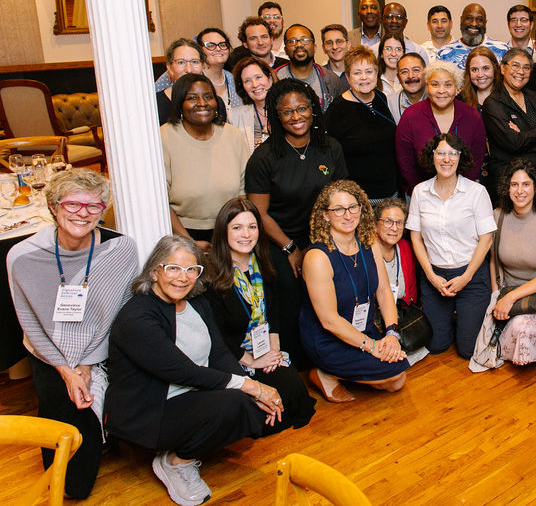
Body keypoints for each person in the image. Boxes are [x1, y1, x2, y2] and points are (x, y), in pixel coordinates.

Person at [106, 236, 295, 506]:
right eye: (173, 268)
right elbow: (182, 371)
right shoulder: (138, 317)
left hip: (191, 394)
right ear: (155, 271)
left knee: (254, 405)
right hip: (150, 410)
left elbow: (218, 353)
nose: (183, 278)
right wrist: (250, 386)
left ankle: (189, 442)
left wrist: (249, 387)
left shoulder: (197, 303)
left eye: (191, 269)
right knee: (237, 403)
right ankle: (176, 462)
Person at [8, 169, 139, 499]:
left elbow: (123, 314)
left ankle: (107, 430)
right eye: (72, 204)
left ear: (102, 210)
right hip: (50, 355)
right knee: (71, 485)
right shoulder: (22, 257)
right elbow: (30, 324)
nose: (83, 213)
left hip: (101, 351)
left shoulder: (120, 249)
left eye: (93, 206)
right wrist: (67, 371)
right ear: (53, 207)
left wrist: (87, 366)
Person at [245, 78, 349, 359]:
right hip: (278, 238)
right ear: (277, 116)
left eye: (302, 109)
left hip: (322, 235)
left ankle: (334, 351)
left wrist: (324, 242)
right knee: (291, 289)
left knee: (335, 284)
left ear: (312, 110)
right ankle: (297, 359)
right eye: (287, 112)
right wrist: (290, 248)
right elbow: (258, 214)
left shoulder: (330, 147)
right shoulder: (264, 157)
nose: (296, 117)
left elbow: (341, 197)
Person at [203, 198, 316, 425]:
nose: (246, 234)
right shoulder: (212, 276)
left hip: (263, 348)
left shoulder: (262, 263)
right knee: (256, 411)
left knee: (295, 393)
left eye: (252, 227)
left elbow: (273, 311)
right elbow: (217, 337)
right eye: (237, 227)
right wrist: (253, 362)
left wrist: (273, 352)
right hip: (232, 359)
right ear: (224, 231)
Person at [301, 181, 410, 402]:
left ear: (361, 209)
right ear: (325, 215)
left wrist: (392, 334)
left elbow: (383, 291)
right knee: (394, 374)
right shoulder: (317, 257)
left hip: (363, 329)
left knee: (398, 379)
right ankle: (325, 374)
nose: (348, 215)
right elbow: (329, 321)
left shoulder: (369, 243)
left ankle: (337, 373)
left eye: (353, 207)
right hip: (329, 338)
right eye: (338, 209)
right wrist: (373, 347)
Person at [406, 133, 496, 359]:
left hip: (471, 276)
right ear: (432, 156)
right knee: (436, 345)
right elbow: (416, 238)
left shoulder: (476, 192)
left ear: (460, 157)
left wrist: (465, 277)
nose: (447, 159)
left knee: (467, 350)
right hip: (435, 277)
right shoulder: (420, 192)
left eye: (453, 153)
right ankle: (456, 319)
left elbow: (486, 239)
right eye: (441, 153)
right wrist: (431, 276)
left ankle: (467, 320)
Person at [487, 159, 536, 365]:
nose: (520, 191)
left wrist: (510, 299)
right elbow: (494, 261)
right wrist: (496, 296)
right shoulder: (498, 215)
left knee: (520, 327)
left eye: (526, 184)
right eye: (514, 184)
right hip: (508, 288)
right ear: (507, 187)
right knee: (486, 326)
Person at [161, 73, 249, 247]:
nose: (202, 103)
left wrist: (236, 236)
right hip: (181, 233)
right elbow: (160, 201)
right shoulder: (164, 137)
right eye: (192, 98)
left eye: (208, 97)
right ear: (180, 103)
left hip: (230, 230)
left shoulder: (232, 135)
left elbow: (243, 192)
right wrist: (189, 243)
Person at [395, 61, 486, 195]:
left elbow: (476, 160)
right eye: (435, 84)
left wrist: (459, 192)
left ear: (457, 88)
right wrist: (424, 192)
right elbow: (405, 161)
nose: (441, 90)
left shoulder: (472, 116)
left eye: (448, 85)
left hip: (463, 194)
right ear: (427, 86)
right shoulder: (410, 116)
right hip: (422, 193)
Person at [481, 48, 536, 198]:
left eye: (526, 67)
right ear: (503, 68)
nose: (521, 72)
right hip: (508, 183)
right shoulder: (493, 103)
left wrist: (522, 136)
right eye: (515, 65)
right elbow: (512, 142)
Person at [323, 46, 400, 203]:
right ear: (348, 77)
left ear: (376, 73)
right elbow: (329, 156)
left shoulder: (381, 98)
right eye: (357, 73)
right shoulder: (338, 109)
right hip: (359, 197)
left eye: (369, 71)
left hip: (390, 191)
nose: (364, 77)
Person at [373, 198, 428, 365]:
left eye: (399, 223)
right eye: (388, 222)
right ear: (375, 224)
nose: (394, 228)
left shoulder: (405, 247)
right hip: (373, 316)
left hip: (400, 312)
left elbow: (411, 288)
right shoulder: (366, 250)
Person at [156, 38, 227, 125]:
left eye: (194, 62)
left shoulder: (215, 103)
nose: (189, 69)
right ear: (169, 67)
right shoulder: (154, 104)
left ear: (203, 66)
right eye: (181, 62)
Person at [275, 24, 344, 110]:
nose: (299, 45)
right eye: (292, 41)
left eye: (305, 40)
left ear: (314, 47)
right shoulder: (275, 78)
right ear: (285, 50)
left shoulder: (331, 79)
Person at [436, 3, 508, 69]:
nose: (474, 24)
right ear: (461, 20)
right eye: (469, 18)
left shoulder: (503, 50)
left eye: (479, 20)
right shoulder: (444, 54)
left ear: (485, 23)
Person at [229, 56, 275, 152]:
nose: (255, 84)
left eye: (258, 77)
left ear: (270, 79)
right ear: (242, 86)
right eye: (247, 81)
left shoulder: (287, 111)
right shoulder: (234, 117)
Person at [460, 45, 501, 112]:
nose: (480, 75)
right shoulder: (461, 100)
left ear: (495, 68)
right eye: (474, 70)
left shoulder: (508, 96)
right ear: (469, 72)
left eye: (485, 68)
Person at [377, 32, 406, 118]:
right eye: (388, 49)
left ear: (403, 54)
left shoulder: (410, 81)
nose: (393, 54)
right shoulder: (372, 82)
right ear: (381, 53)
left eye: (398, 49)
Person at [320, 23, 351, 91]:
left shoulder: (358, 74)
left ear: (348, 44)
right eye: (329, 43)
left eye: (339, 41)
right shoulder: (319, 75)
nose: (334, 47)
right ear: (323, 48)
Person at [396, 52, 427, 117]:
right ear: (398, 77)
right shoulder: (389, 103)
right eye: (404, 72)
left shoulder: (437, 99)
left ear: (426, 73)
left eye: (416, 70)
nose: (410, 76)